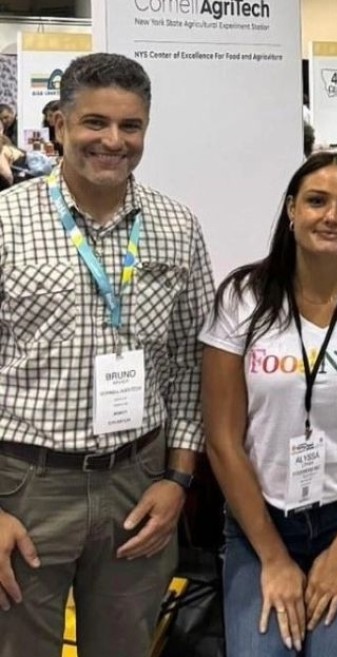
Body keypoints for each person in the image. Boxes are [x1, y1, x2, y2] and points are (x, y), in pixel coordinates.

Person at [0, 53, 215, 657]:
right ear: (59, 127)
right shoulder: (6, 222)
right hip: (23, 487)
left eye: (131, 126)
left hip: (137, 484)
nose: (113, 141)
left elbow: (189, 366)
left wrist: (178, 478)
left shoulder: (177, 226)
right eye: (95, 123)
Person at [200, 153, 337, 655]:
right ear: (291, 211)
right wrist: (272, 557)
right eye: (317, 201)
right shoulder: (242, 297)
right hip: (261, 520)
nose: (331, 216)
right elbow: (223, 439)